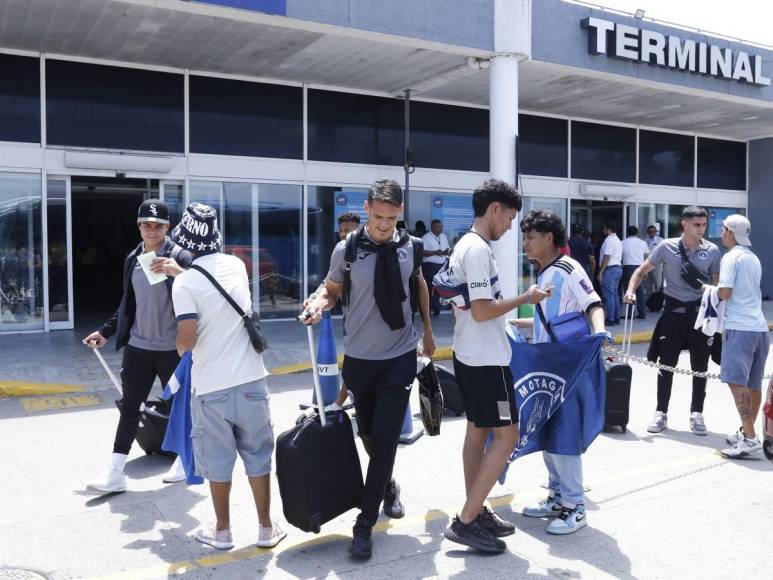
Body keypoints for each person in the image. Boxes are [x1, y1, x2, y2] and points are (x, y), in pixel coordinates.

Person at [303, 179, 436, 559]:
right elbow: (331, 289)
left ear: (401, 214)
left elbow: (419, 285)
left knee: (387, 439)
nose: (384, 224)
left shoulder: (411, 247)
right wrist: (317, 304)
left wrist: (426, 330)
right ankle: (387, 485)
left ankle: (363, 527)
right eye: (378, 216)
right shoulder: (347, 249)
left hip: (399, 357)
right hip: (360, 359)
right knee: (370, 436)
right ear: (366, 209)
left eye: (392, 218)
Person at [442, 179, 551, 554]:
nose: (510, 226)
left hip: (471, 352)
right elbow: (483, 309)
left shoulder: (467, 246)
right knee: (506, 435)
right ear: (494, 209)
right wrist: (528, 297)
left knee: (478, 430)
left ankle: (477, 509)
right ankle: (467, 520)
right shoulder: (476, 251)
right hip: (486, 358)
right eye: (509, 217)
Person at [172, 203, 286, 550]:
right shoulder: (236, 266)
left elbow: (187, 339)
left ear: (184, 243)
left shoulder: (185, 284)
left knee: (218, 463)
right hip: (251, 381)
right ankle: (266, 528)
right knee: (258, 456)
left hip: (211, 387)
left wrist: (178, 347)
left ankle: (222, 531)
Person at [84, 200, 193, 492]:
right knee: (130, 408)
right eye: (147, 224)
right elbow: (128, 304)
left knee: (179, 407)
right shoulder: (133, 259)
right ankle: (116, 473)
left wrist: (178, 272)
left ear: (168, 227)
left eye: (158, 225)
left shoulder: (181, 256)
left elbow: (201, 292)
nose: (152, 230)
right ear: (139, 226)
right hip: (139, 347)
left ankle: (185, 460)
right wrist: (105, 331)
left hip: (174, 349)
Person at [514, 209, 609, 535]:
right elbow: (545, 322)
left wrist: (598, 335)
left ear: (549, 238)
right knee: (549, 433)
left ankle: (575, 506)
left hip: (567, 369)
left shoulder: (568, 268)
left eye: (531, 237)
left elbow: (593, 304)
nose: (525, 242)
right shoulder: (542, 274)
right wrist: (510, 321)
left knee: (564, 436)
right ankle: (557, 496)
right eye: (524, 236)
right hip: (548, 367)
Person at [624, 206, 720, 435]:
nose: (701, 229)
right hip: (673, 316)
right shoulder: (666, 247)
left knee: (700, 368)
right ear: (684, 224)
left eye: (703, 225)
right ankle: (661, 413)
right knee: (666, 365)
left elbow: (717, 286)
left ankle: (697, 413)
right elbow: (642, 270)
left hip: (700, 317)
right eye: (696, 225)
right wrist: (630, 290)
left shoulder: (713, 250)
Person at [711, 215, 769, 458]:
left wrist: (708, 290)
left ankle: (749, 438)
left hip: (739, 328)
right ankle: (748, 433)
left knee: (737, 384)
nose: (722, 233)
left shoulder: (730, 257)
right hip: (760, 329)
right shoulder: (752, 258)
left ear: (730, 232)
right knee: (753, 385)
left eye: (723, 229)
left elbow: (724, 292)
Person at [422, 219, 451, 316]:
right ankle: (430, 309)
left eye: (441, 226)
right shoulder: (426, 237)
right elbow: (422, 252)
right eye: (439, 227)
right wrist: (435, 252)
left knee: (439, 287)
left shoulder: (443, 236)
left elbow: (447, 247)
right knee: (430, 288)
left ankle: (437, 308)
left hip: (441, 266)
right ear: (432, 227)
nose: (441, 228)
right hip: (430, 267)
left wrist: (447, 250)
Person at [597, 223, 623, 326]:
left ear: (608, 229)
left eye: (604, 228)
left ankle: (610, 318)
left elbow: (607, 257)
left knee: (608, 295)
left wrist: (601, 272)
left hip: (610, 269)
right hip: (617, 268)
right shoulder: (617, 240)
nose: (602, 230)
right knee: (614, 295)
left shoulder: (609, 240)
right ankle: (616, 317)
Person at [621, 226, 649, 319]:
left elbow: (620, 257)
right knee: (640, 292)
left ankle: (630, 314)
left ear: (627, 232)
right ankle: (642, 313)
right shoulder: (642, 243)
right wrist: (646, 270)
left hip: (627, 268)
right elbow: (646, 257)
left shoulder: (622, 243)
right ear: (637, 233)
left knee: (629, 290)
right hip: (640, 267)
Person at [644, 225, 664, 301]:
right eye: (650, 232)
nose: (652, 233)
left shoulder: (660, 240)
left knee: (657, 283)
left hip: (656, 264)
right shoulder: (644, 241)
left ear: (656, 232)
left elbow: (663, 251)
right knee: (647, 284)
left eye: (653, 232)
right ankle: (648, 301)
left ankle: (657, 301)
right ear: (647, 233)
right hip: (646, 264)